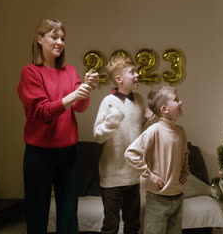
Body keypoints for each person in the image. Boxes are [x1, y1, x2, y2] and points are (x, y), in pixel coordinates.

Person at [17, 18, 98, 234]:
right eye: (54, 36)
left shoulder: (70, 71)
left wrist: (86, 87)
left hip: (68, 153)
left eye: (62, 38)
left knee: (69, 215)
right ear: (40, 39)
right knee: (37, 213)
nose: (59, 42)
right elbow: (41, 112)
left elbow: (80, 107)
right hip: (39, 154)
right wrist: (72, 96)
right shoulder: (30, 72)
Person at [93, 55, 153, 234]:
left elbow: (139, 134)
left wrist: (148, 120)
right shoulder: (108, 101)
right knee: (111, 226)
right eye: (132, 72)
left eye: (136, 71)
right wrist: (112, 122)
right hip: (112, 176)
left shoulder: (139, 100)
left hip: (133, 175)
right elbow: (98, 136)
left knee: (133, 225)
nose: (137, 75)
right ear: (119, 79)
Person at [125, 86, 189, 234]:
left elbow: (185, 154)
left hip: (178, 196)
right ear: (164, 108)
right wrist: (149, 175)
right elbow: (130, 154)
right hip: (157, 198)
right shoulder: (153, 131)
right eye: (176, 100)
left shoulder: (181, 132)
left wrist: (185, 171)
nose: (181, 102)